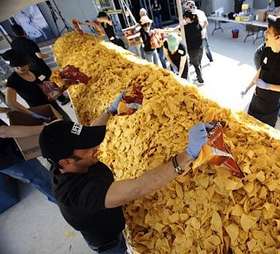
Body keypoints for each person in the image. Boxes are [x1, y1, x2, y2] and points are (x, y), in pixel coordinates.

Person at [38, 91, 209, 253]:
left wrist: (110, 111)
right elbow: (139, 187)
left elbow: (90, 131)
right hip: (109, 242)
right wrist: (188, 154)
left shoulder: (64, 161)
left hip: (109, 211)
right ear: (66, 162)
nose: (96, 146)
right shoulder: (80, 196)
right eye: (86, 146)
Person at [242, 15, 280, 127]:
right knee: (249, 129)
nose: (265, 32)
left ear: (278, 37)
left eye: (269, 31)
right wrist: (248, 87)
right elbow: (261, 70)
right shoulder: (266, 49)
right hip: (256, 99)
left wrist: (268, 86)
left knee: (264, 135)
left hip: (270, 106)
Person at [10, 24, 70, 105]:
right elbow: (39, 55)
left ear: (14, 33)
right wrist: (49, 54)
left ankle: (56, 98)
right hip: (39, 68)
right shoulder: (29, 42)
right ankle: (62, 99)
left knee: (42, 83)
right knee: (49, 82)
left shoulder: (13, 44)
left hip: (29, 69)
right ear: (23, 31)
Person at [3, 50, 71, 121]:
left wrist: (63, 87)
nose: (20, 68)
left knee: (68, 123)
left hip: (53, 105)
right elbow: (10, 102)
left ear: (28, 63)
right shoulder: (13, 80)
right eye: (16, 66)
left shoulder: (35, 72)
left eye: (22, 64)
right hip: (40, 111)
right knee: (60, 128)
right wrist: (30, 113)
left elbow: (49, 87)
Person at [0, 121, 55, 202]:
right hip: (8, 157)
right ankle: (70, 206)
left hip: (10, 151)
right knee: (42, 179)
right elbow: (3, 132)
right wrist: (45, 128)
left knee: (41, 177)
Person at [183, 10, 204, 85]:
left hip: (192, 49)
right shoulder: (198, 24)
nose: (184, 20)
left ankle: (201, 80)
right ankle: (200, 77)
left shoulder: (186, 28)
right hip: (200, 47)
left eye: (185, 18)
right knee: (198, 63)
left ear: (189, 18)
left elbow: (178, 30)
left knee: (196, 65)